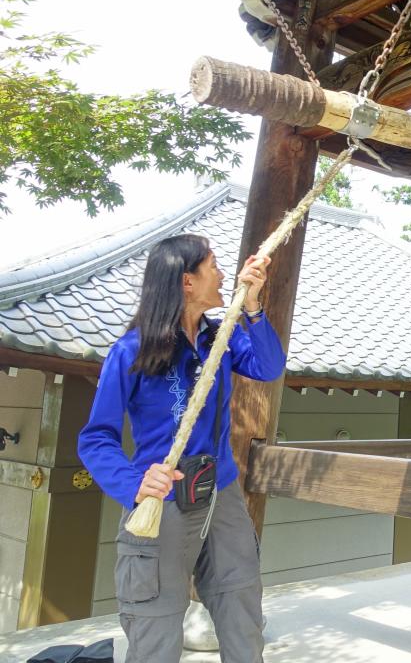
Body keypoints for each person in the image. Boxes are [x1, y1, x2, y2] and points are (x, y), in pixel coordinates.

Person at [78, 234, 287, 663]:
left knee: (242, 610)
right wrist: (135, 483)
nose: (224, 274)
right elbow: (95, 438)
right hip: (165, 501)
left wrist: (252, 305)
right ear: (187, 281)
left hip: (221, 492)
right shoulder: (131, 351)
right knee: (155, 627)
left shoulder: (220, 337)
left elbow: (268, 367)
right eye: (213, 266)